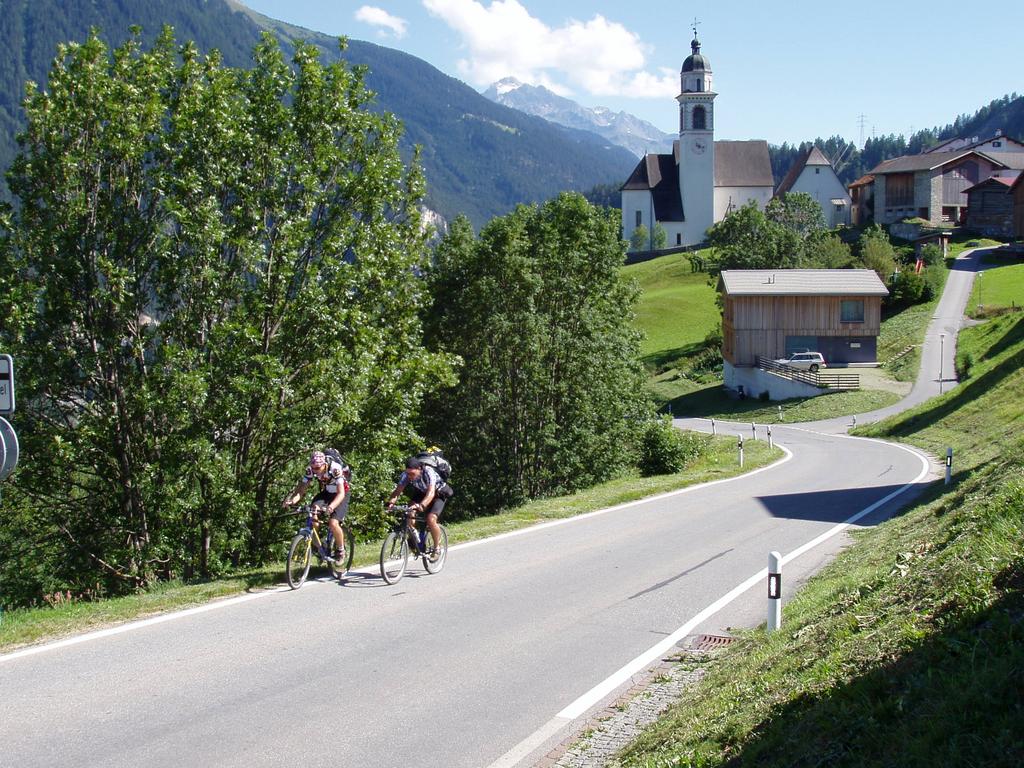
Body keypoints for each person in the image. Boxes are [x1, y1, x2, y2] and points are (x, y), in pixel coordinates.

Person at [282, 450, 350, 563]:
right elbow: (301, 490)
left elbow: (341, 493)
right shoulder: (310, 469)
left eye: (318, 469)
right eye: (314, 469)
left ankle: (341, 550)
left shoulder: (335, 468)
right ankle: (318, 544)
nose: (316, 471)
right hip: (327, 492)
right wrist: (292, 501)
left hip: (341, 494)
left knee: (333, 523)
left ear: (324, 465)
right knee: (313, 512)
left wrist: (331, 507)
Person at [386, 456, 449, 559]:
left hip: (438, 494)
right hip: (421, 493)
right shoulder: (405, 475)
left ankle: (437, 547)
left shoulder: (429, 472)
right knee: (409, 511)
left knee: (431, 519)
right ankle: (413, 534)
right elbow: (397, 491)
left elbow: (431, 492)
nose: (410, 477)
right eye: (408, 473)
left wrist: (422, 505)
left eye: (412, 474)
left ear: (419, 469)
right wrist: (390, 503)